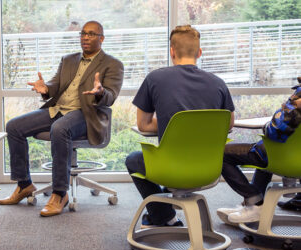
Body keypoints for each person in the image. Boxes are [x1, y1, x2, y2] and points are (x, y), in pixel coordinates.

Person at [0, 20, 124, 217]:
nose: (85, 37)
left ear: (102, 38)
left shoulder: (113, 64)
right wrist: (46, 88)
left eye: (91, 34)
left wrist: (100, 92)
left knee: (59, 128)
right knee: (14, 127)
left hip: (86, 113)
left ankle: (59, 193)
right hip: (57, 110)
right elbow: (55, 86)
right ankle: (24, 185)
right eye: (83, 33)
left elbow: (111, 95)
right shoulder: (68, 60)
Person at [125, 25, 235, 227]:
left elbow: (143, 124)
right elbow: (227, 124)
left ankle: (163, 216)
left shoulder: (155, 79)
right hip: (208, 169)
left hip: (170, 167)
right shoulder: (218, 83)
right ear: (200, 53)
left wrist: (173, 122)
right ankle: (164, 212)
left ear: (172, 52)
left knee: (133, 160)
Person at [217, 77, 301, 224]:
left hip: (282, 157)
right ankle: (252, 206)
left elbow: (275, 132)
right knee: (265, 155)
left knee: (221, 154)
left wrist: (269, 124)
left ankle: (254, 203)